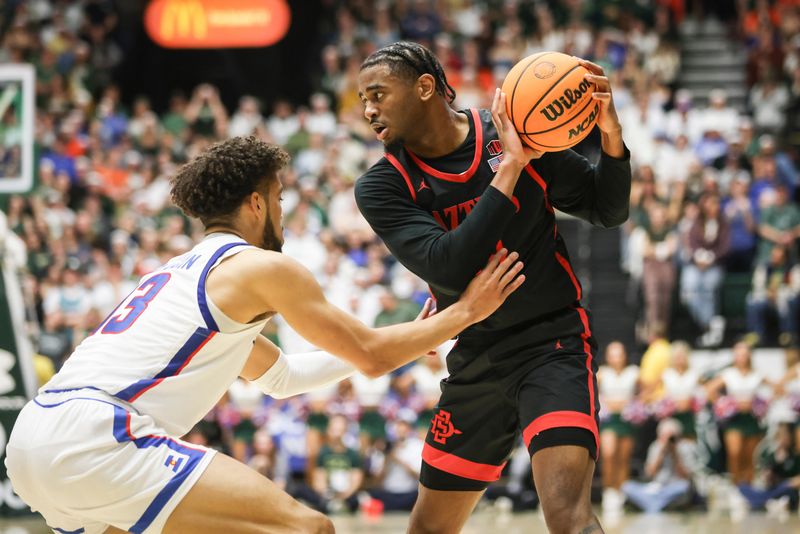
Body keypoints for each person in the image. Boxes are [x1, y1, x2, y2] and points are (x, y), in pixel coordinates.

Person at [5, 136, 525, 534]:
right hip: (97, 436)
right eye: (279, 200)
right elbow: (368, 356)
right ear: (256, 203)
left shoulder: (177, 275)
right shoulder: (258, 267)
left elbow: (281, 377)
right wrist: (465, 313)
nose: (284, 216)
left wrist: (413, 332)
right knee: (308, 528)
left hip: (34, 438)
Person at [354, 41, 631, 534]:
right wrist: (511, 169)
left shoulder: (512, 130)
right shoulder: (383, 186)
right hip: (475, 355)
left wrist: (610, 134)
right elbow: (451, 268)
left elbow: (606, 209)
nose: (369, 109)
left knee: (568, 519)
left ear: (424, 87)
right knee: (427, 530)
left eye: (377, 93)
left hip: (553, 343)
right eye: (363, 100)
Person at [706, 341, 774, 484]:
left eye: (744, 354)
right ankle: (735, 485)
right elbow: (710, 389)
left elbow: (777, 388)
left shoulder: (757, 373)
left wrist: (761, 404)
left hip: (751, 418)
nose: (741, 357)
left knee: (750, 456)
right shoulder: (729, 373)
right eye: (738, 354)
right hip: (734, 419)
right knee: (735, 453)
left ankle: (748, 487)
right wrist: (725, 404)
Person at [597, 341, 640, 514]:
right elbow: (588, 388)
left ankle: (621, 492)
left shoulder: (633, 372)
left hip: (626, 419)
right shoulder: (602, 372)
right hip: (608, 420)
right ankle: (608, 491)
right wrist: (602, 402)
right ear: (607, 356)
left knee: (623, 458)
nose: (616, 358)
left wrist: (637, 403)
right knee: (608, 454)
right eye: (612, 354)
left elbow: (651, 388)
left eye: (619, 354)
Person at [621, 418, 696, 513]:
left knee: (684, 486)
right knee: (627, 486)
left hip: (674, 488)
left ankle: (651, 506)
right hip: (656, 488)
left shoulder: (685, 447)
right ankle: (658, 506)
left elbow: (686, 476)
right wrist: (661, 453)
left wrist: (675, 455)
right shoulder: (656, 446)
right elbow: (649, 474)